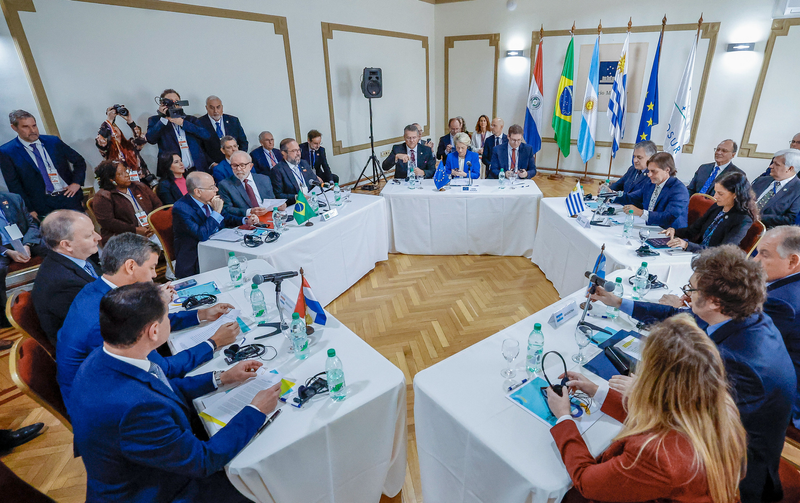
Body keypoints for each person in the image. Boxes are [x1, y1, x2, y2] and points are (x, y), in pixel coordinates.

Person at [589, 245, 795, 502]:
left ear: (714, 301)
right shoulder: (740, 314)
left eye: (691, 289)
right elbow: (679, 315)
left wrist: (645, 394)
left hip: (728, 473)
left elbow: (694, 421)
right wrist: (619, 302)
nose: (686, 295)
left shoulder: (738, 362)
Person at [70, 282, 279, 503]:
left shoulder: (103, 357)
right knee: (263, 483)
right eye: (167, 317)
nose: (170, 321)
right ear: (154, 331)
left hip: (149, 468)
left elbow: (159, 388)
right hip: (159, 492)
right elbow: (202, 461)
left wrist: (221, 378)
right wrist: (255, 411)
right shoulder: (136, 409)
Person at [546, 314, 746, 503]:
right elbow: (663, 416)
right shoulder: (721, 405)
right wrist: (596, 391)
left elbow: (587, 483)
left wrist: (564, 417)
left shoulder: (657, 455)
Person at [56, 233, 240, 406]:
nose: (154, 275)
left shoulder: (98, 289)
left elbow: (145, 319)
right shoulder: (103, 320)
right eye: (152, 267)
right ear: (130, 266)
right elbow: (163, 368)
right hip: (106, 401)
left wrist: (201, 314)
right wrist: (214, 342)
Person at [752, 226, 800, 429]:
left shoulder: (782, 302)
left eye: (764, 254)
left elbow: (747, 345)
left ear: (792, 261)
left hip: (784, 398)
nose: (754, 261)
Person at [32, 210, 101, 346]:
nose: (98, 237)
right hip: (89, 348)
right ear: (67, 245)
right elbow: (97, 325)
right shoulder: (62, 283)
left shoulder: (77, 258)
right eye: (89, 235)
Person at [0, 110, 86, 218]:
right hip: (42, 205)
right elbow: (14, 185)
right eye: (26, 127)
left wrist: (76, 183)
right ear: (14, 128)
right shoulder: (7, 152)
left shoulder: (53, 142)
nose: (33, 130)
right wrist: (29, 209)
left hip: (68, 197)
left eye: (34, 125)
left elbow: (79, 161)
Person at [172, 172, 252, 278]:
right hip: (196, 259)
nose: (216, 189)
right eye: (211, 187)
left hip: (220, 246)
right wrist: (216, 212)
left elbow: (225, 218)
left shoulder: (208, 200)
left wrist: (245, 220)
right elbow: (201, 234)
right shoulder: (181, 208)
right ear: (198, 192)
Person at [660, 172, 756, 252]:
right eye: (715, 192)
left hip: (714, 262)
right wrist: (674, 231)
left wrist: (687, 245)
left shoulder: (743, 219)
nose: (715, 197)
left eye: (720, 194)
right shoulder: (717, 207)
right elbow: (693, 230)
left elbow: (723, 251)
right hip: (699, 253)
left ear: (735, 195)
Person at [0, 191, 48, 327]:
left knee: (55, 249)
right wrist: (8, 252)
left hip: (24, 240)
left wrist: (27, 245)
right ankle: (5, 316)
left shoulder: (13, 198)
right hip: (2, 248)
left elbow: (32, 225)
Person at [92, 160, 162, 246]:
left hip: (151, 229)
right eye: (121, 174)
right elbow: (109, 222)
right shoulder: (103, 196)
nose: (126, 175)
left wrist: (152, 224)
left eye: (126, 171)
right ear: (112, 179)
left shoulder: (139, 186)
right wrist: (135, 230)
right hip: (123, 237)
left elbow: (158, 205)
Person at [614, 152, 689, 228]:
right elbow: (632, 198)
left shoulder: (679, 190)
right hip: (649, 227)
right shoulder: (650, 184)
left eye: (653, 171)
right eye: (649, 171)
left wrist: (640, 212)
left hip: (669, 232)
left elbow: (668, 217)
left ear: (667, 170)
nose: (649, 175)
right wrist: (611, 195)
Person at [146, 89, 211, 174]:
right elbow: (151, 139)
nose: (174, 104)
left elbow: (206, 135)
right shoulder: (156, 120)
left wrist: (183, 123)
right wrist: (164, 119)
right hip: (171, 173)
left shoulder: (190, 120)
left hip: (196, 169)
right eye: (170, 102)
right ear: (163, 104)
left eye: (176, 101)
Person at [95, 105, 154, 187]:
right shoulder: (106, 151)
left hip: (141, 183)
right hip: (122, 185)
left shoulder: (131, 144)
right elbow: (100, 140)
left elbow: (141, 139)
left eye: (115, 128)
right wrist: (109, 120)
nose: (113, 131)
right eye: (111, 130)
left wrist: (130, 120)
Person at [218, 151, 285, 220]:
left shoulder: (264, 179)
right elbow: (227, 209)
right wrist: (249, 211)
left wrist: (278, 206)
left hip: (269, 217)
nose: (238, 169)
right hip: (247, 220)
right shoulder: (225, 185)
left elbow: (271, 200)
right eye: (234, 166)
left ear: (250, 166)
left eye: (242, 165)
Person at [751, 148, 800, 228]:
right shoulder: (761, 180)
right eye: (772, 163)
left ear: (790, 168)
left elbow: (790, 219)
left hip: (767, 231)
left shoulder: (798, 190)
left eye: (776, 164)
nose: (770, 166)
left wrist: (758, 217)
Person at [197, 95, 248, 165]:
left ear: (222, 107)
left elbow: (243, 142)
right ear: (206, 108)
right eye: (212, 108)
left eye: (218, 107)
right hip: (214, 165)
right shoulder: (199, 123)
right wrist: (211, 163)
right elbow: (199, 148)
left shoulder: (233, 121)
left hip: (235, 163)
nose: (215, 111)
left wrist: (239, 159)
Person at [270, 138, 317, 205]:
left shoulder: (304, 163)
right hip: (295, 205)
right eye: (294, 151)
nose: (298, 153)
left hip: (311, 200)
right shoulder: (278, 170)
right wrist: (296, 197)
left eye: (299, 150)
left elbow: (314, 181)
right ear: (284, 153)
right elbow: (278, 195)